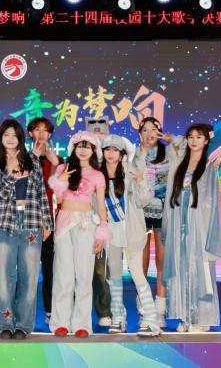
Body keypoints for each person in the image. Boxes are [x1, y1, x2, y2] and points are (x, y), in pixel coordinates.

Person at [161, 123, 221, 332]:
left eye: (198, 137)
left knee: (200, 270)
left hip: (200, 226)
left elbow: (212, 202)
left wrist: (203, 226)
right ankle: (186, 316)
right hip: (180, 225)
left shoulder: (209, 167)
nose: (194, 140)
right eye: (190, 136)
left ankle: (203, 318)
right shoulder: (180, 164)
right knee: (182, 268)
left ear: (206, 141)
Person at [0, 119, 52, 340]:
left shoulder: (32, 160)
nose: (10, 139)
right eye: (6, 135)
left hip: (31, 222)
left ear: (20, 138)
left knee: (29, 277)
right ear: (1, 138)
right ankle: (6, 323)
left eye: (14, 135)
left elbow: (40, 191)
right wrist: (12, 173)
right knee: (3, 278)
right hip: (5, 224)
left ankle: (24, 325)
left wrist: (47, 222)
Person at [47, 131, 109, 338]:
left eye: (87, 146)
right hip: (64, 223)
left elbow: (101, 205)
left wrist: (102, 231)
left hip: (86, 224)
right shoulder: (63, 168)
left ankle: (82, 323)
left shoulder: (98, 175)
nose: (83, 150)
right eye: (80, 145)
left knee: (84, 274)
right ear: (73, 148)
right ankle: (60, 322)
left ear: (93, 150)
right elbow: (57, 198)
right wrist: (60, 180)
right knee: (63, 274)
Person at [99, 134, 162, 336]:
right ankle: (118, 317)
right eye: (107, 149)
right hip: (111, 231)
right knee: (114, 275)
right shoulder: (97, 175)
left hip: (132, 229)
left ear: (121, 154)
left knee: (137, 273)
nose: (111, 154)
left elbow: (144, 200)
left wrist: (141, 181)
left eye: (115, 150)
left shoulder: (130, 172)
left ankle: (151, 319)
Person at [27, 117, 62, 325]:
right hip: (29, 221)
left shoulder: (57, 159)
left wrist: (55, 164)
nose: (41, 134)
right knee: (28, 271)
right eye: (37, 130)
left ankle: (51, 310)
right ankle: (25, 315)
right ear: (30, 133)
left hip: (52, 221)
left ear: (50, 135)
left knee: (50, 269)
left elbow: (58, 188)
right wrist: (33, 158)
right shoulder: (23, 158)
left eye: (45, 130)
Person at [136, 116, 170, 327]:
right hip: (139, 212)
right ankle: (144, 310)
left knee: (162, 262)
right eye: (145, 129)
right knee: (140, 264)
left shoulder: (169, 153)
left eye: (153, 129)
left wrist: (171, 139)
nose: (149, 133)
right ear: (140, 133)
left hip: (163, 210)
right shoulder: (134, 154)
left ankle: (159, 311)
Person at [86, 117, 112, 327]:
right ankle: (79, 313)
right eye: (93, 134)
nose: (98, 137)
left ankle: (104, 311)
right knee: (80, 270)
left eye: (101, 133)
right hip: (81, 222)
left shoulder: (114, 162)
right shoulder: (80, 161)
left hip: (105, 223)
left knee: (101, 271)